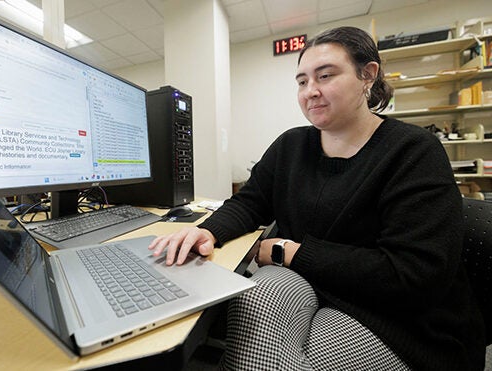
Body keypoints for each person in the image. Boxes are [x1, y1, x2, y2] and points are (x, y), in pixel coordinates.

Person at [148, 26, 485, 370]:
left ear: (368, 75)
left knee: (273, 363)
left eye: (325, 76)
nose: (311, 91)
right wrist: (210, 231)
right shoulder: (291, 146)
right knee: (254, 302)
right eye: (302, 81)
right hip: (307, 281)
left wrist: (287, 251)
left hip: (398, 318)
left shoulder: (412, 151)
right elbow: (250, 202)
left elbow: (413, 276)